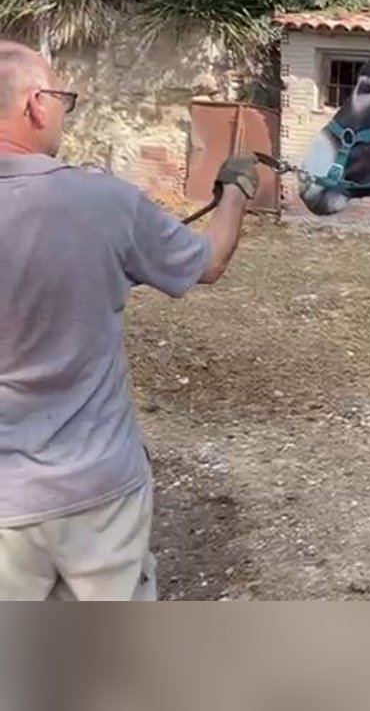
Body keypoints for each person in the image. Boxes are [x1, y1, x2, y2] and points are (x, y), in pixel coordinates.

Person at [0, 40, 260, 600]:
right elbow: (207, 263)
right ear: (34, 104)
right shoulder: (103, 204)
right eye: (61, 97)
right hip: (97, 491)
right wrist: (235, 192)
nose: (64, 111)